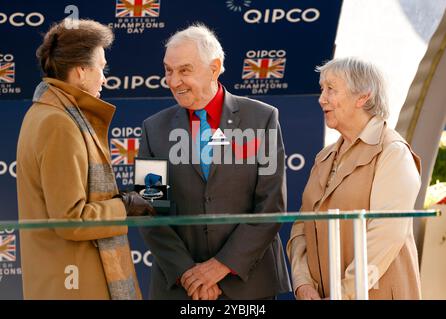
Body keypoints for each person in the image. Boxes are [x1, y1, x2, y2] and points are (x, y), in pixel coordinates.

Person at [138, 23, 291, 300]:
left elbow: (271, 205)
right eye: (168, 70)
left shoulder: (262, 119)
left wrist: (221, 266)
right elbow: (148, 211)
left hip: (248, 287)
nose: (173, 81)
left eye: (184, 70)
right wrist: (189, 274)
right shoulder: (153, 129)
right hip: (180, 289)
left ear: (214, 67)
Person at [16, 19, 155, 300]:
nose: (104, 77)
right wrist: (125, 206)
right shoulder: (60, 123)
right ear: (80, 71)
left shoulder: (47, 113)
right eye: (101, 67)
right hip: (75, 283)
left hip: (66, 278)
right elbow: (72, 219)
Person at [287, 57, 422, 300]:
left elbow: (387, 234)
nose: (321, 98)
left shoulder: (392, 152)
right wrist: (302, 283)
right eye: (322, 89)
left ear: (363, 97)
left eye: (331, 89)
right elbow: (301, 226)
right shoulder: (324, 157)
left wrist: (344, 293)